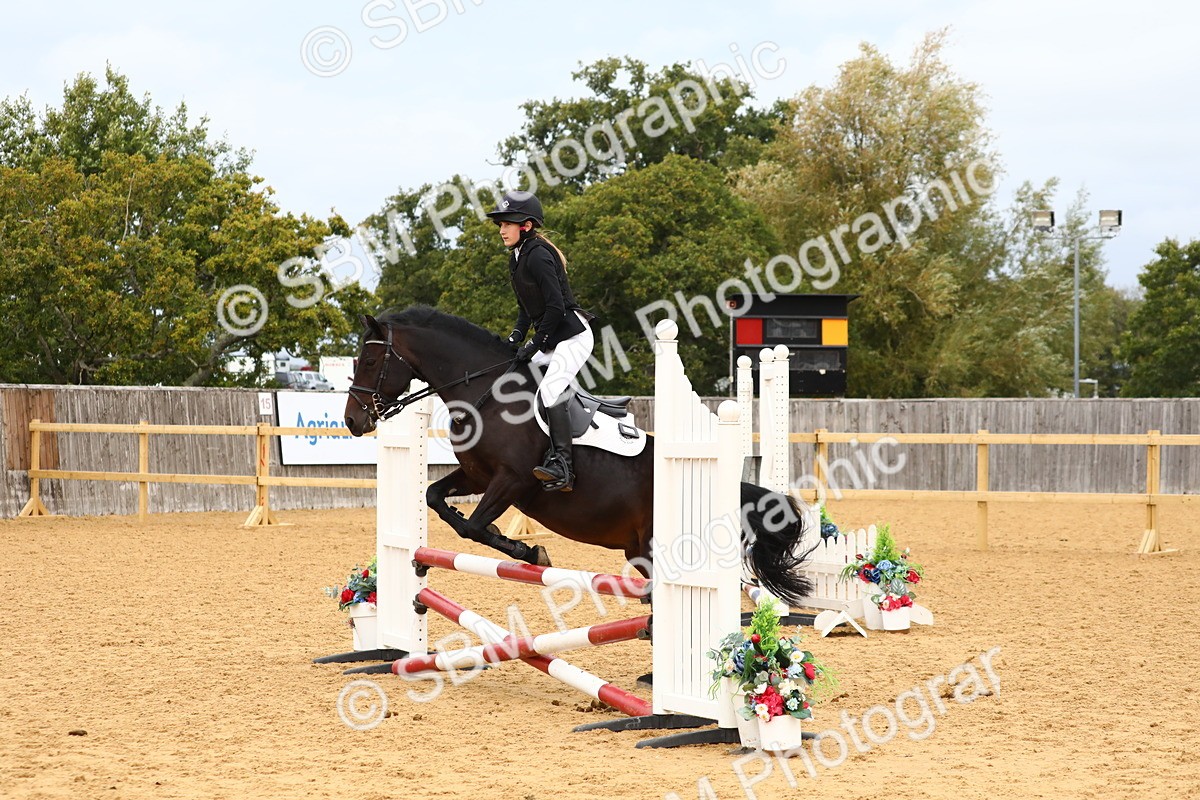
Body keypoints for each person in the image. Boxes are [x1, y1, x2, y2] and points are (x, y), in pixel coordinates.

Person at [486, 190, 594, 492]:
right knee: (517, 379)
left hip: (573, 337)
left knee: (549, 392)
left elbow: (556, 307)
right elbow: (525, 309)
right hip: (551, 338)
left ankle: (563, 466)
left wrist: (534, 344)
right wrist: (515, 338)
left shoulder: (539, 255)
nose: (502, 230)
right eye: (500, 225)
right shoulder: (517, 259)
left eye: (507, 224)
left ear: (527, 226)